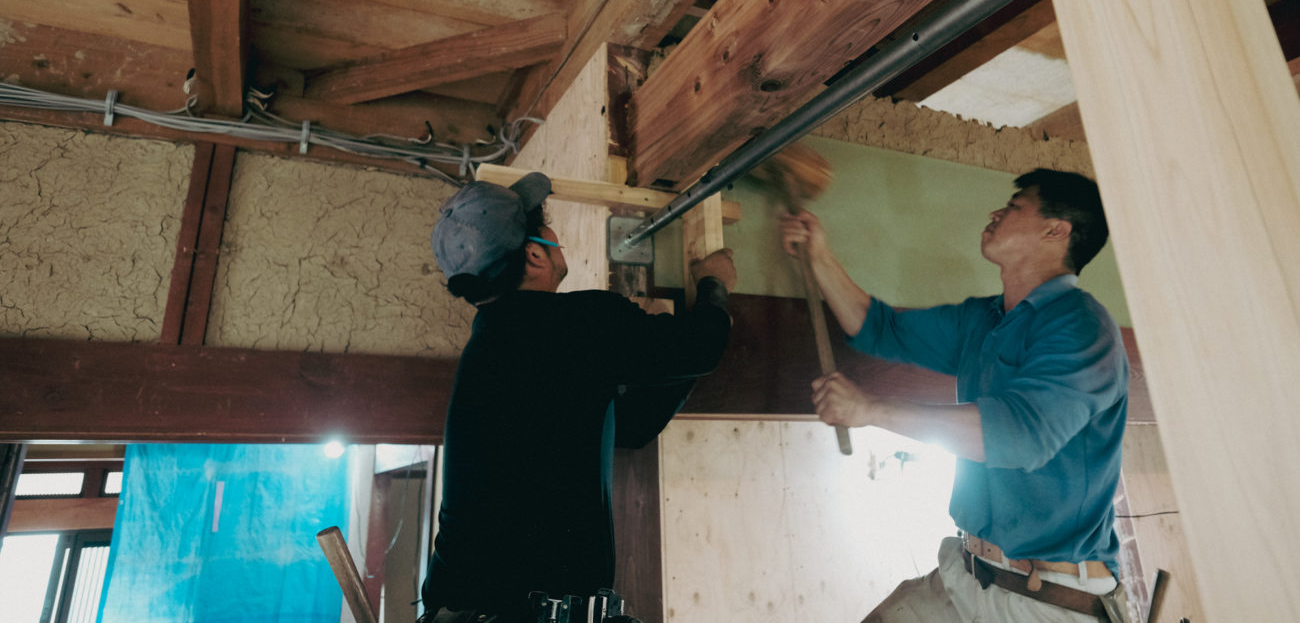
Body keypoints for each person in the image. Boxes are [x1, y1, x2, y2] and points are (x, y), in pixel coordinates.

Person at [781, 169, 1130, 623]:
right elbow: (879, 328)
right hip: (968, 574)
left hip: (1048, 601)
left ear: (1055, 230)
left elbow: (1018, 435)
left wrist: (870, 410)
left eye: (1015, 206)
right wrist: (818, 256)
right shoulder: (985, 320)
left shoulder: (1082, 326)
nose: (996, 213)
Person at [420, 171, 736, 623]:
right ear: (534, 254)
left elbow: (631, 426)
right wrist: (714, 285)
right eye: (547, 229)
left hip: (464, 609)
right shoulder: (575, 324)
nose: (555, 237)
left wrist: (659, 358)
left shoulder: (490, 350)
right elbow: (700, 347)